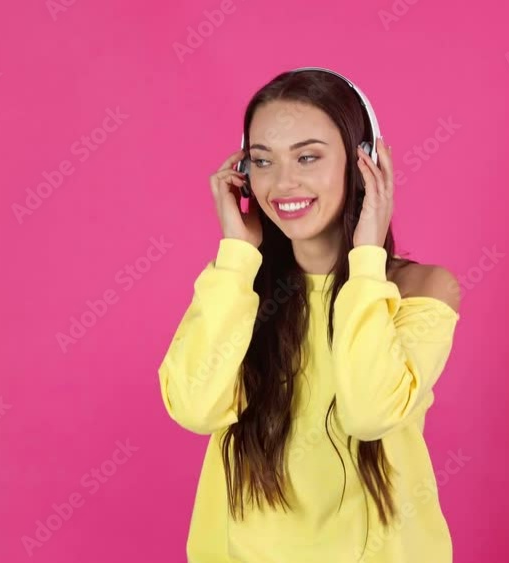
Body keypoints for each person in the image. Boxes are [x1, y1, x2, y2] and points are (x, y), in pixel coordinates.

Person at [157, 68, 462, 562]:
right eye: (262, 161)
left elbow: (369, 413)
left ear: (365, 163)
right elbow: (194, 407)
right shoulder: (236, 287)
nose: (283, 182)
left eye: (307, 156)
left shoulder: (420, 290)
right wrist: (236, 253)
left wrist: (366, 259)